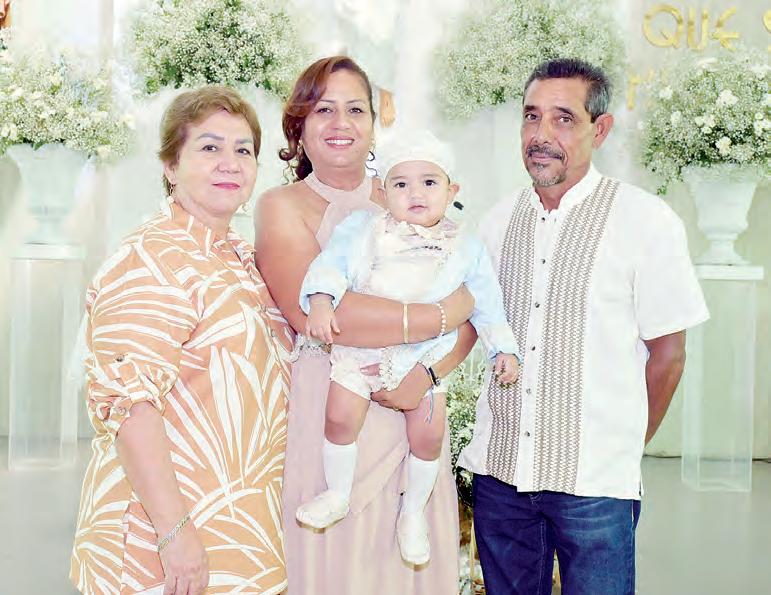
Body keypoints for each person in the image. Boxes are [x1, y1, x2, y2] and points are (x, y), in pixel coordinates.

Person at [459, 58, 709, 595]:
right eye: (531, 116)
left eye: (563, 118)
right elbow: (473, 326)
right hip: (501, 474)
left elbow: (669, 356)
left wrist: (621, 445)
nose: (541, 134)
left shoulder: (645, 222)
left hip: (595, 485)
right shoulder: (497, 221)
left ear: (600, 129)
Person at [254, 56, 475, 594]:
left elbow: (475, 302)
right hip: (333, 406)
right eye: (323, 109)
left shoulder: (412, 191)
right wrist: (441, 314)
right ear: (298, 126)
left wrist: (428, 374)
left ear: (375, 126)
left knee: (407, 554)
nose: (341, 123)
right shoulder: (280, 206)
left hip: (413, 405)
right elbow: (320, 318)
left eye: (356, 109)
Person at [70, 86, 293, 595]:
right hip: (163, 537)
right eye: (210, 147)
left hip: (238, 525)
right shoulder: (150, 258)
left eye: (243, 150)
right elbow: (130, 407)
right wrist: (175, 534)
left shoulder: (236, 254)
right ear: (170, 166)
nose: (230, 163)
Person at [295, 130, 521, 566]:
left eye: (429, 183)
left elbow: (488, 304)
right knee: (339, 416)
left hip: (422, 354)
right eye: (401, 184)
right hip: (364, 346)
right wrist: (321, 301)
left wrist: (503, 350)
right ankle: (337, 493)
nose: (415, 193)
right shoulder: (362, 229)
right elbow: (331, 266)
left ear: (452, 191)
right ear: (382, 193)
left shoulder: (466, 246)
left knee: (429, 434)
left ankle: (413, 512)